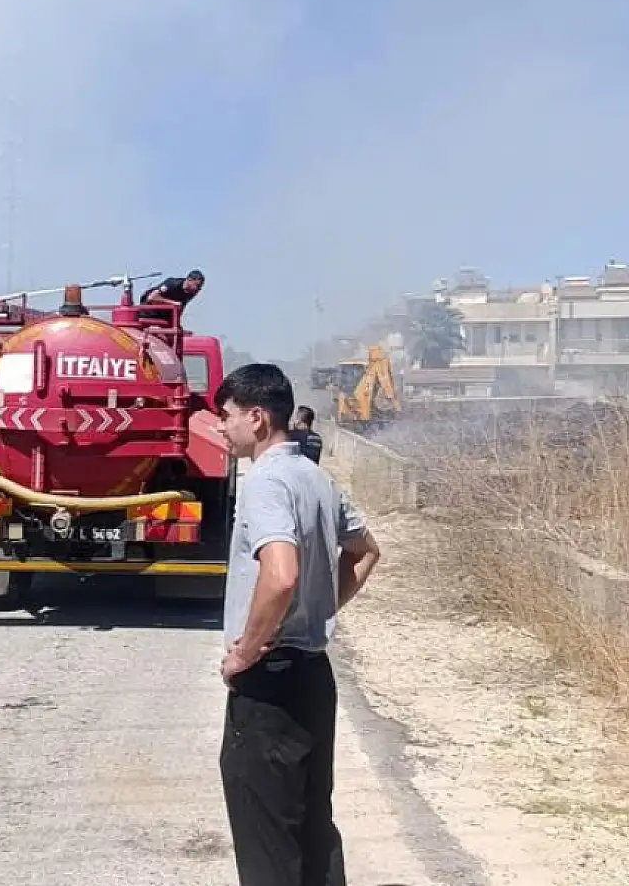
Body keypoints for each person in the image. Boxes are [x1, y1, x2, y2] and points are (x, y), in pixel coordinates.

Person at [212, 362, 383, 886]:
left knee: (267, 840)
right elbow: (365, 551)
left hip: (270, 683)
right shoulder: (316, 478)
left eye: (228, 416)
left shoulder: (265, 482)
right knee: (312, 827)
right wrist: (323, 607)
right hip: (313, 676)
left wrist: (246, 651)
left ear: (258, 418)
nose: (221, 427)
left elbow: (280, 575)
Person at [137, 269, 205, 323]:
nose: (198, 289)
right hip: (148, 311)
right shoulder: (172, 284)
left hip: (165, 315)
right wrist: (172, 303)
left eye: (200, 287)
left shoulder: (192, 292)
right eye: (197, 285)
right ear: (189, 280)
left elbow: (181, 307)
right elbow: (151, 297)